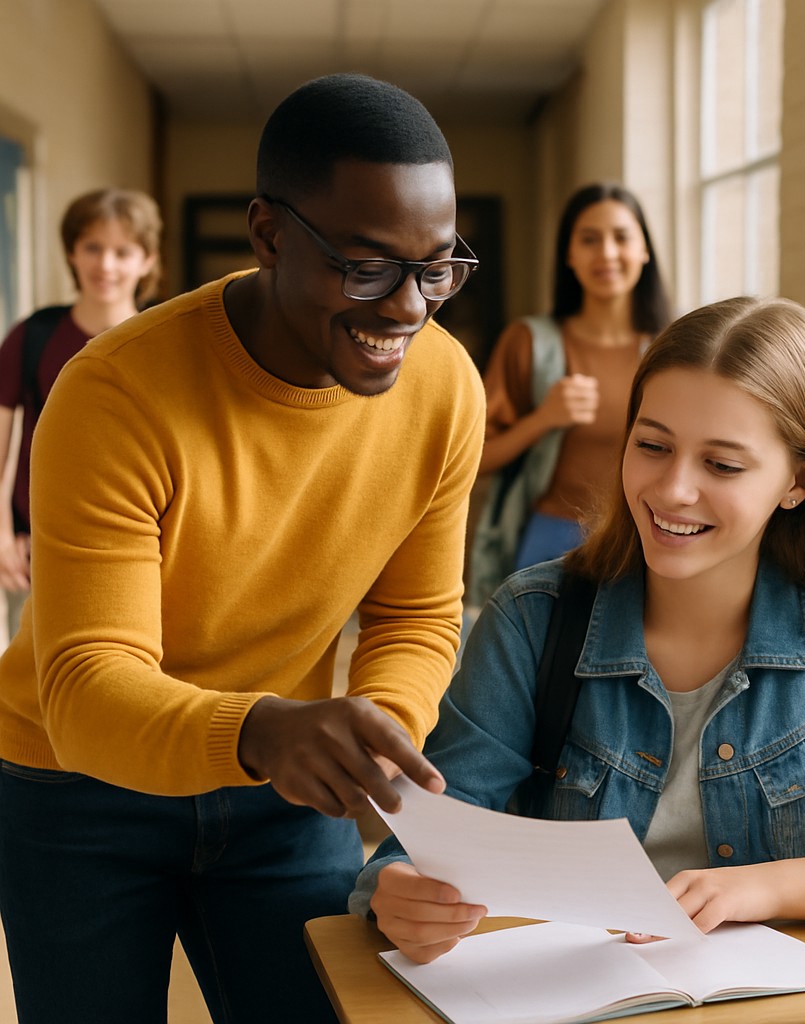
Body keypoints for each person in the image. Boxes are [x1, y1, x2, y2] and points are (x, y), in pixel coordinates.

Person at [0, 73, 485, 1024]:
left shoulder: (445, 388)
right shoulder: (116, 394)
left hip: (284, 792)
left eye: (436, 268)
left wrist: (372, 734)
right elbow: (89, 682)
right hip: (74, 790)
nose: (408, 309)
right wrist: (264, 731)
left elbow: (417, 614)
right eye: (367, 266)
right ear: (268, 235)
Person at [350, 296, 805, 965]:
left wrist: (765, 887)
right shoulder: (533, 617)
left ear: (800, 480)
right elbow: (423, 840)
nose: (672, 489)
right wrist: (398, 890)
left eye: (722, 465)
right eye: (652, 445)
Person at [467, 182, 671, 606]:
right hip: (549, 540)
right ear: (569, 255)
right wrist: (544, 418)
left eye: (621, 237)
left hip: (645, 541)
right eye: (589, 239)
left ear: (645, 250)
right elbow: (473, 459)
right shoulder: (529, 342)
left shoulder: (675, 350)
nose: (607, 253)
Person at [0, 187, 162, 644]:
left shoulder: (164, 343)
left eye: (122, 251)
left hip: (146, 545)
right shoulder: (32, 336)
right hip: (36, 542)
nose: (105, 265)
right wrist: (2, 536)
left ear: (147, 260)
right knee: (31, 686)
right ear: (72, 252)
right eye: (92, 247)